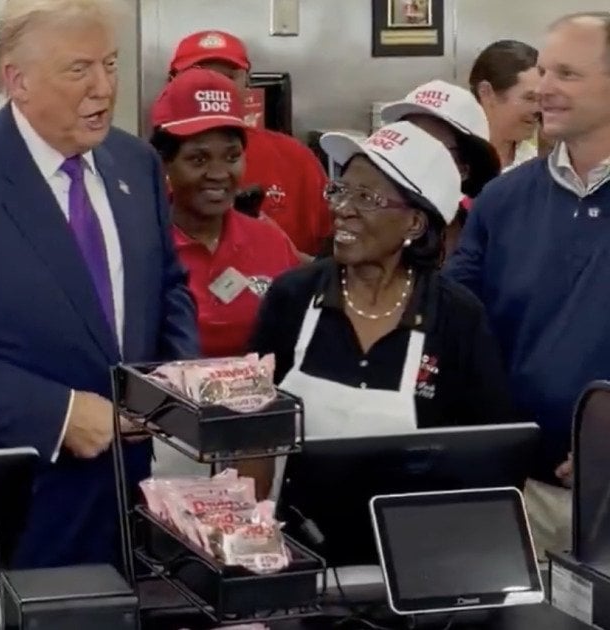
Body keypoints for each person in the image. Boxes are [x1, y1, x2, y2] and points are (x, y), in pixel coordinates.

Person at [0, 0, 199, 569]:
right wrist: (59, 413)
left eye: (112, 64)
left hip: (126, 488)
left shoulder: (136, 164)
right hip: (13, 500)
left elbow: (168, 288)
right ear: (16, 81)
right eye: (79, 69)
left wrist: (167, 388)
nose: (104, 88)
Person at [250, 121, 518, 496]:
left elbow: (492, 451)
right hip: (299, 539)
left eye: (367, 198)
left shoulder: (456, 316)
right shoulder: (293, 296)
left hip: (412, 542)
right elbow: (252, 422)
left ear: (414, 222)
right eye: (340, 191)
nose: (343, 210)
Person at [445, 12, 610, 555]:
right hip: (527, 494)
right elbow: (455, 325)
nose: (543, 88)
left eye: (566, 73)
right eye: (542, 71)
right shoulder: (503, 199)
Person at [149, 67, 300, 358]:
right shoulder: (139, 247)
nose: (219, 174)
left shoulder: (269, 241)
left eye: (232, 157)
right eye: (198, 159)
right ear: (163, 163)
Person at [167, 29, 332, 256]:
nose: (215, 87)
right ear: (171, 84)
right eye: (200, 76)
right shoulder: (149, 165)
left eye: (228, 76)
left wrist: (282, 257)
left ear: (248, 84)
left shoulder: (296, 158)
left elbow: (331, 257)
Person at [380, 80, 501, 257]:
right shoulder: (366, 227)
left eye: (429, 146)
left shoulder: (489, 238)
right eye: (405, 138)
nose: (410, 153)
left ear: (463, 169)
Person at [469, 40, 542, 171]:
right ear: (486, 92)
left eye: (542, 99)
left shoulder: (535, 162)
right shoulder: (452, 161)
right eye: (529, 98)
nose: (539, 109)